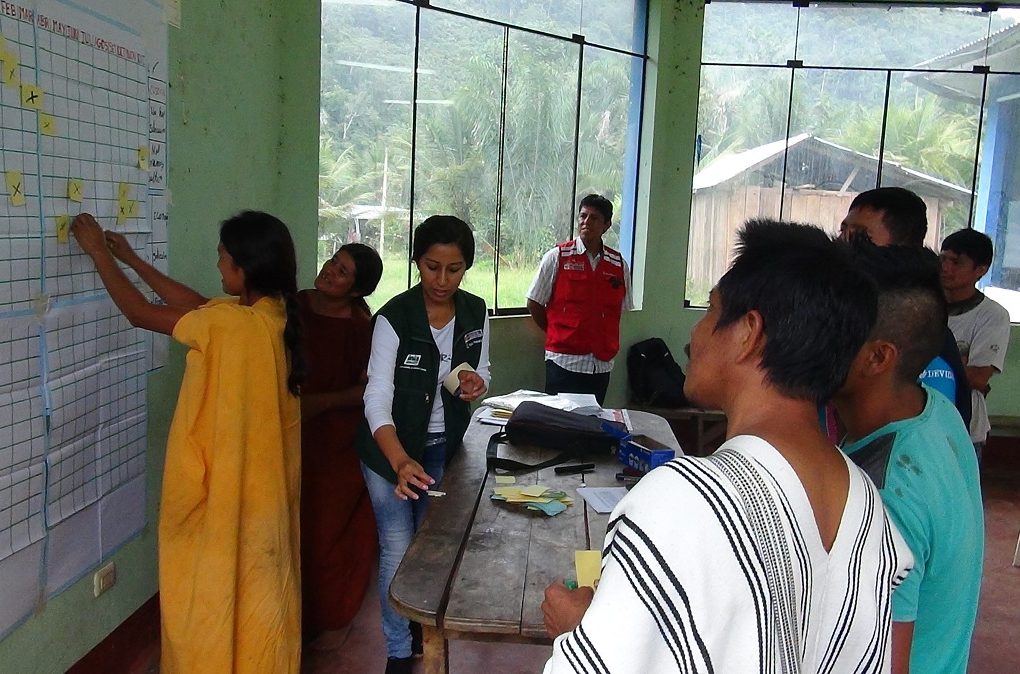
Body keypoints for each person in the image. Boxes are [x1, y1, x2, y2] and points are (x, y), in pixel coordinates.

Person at [541, 219, 912, 673]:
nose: (695, 334)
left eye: (711, 310)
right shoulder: (866, 502)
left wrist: (577, 633)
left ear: (748, 333)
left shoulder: (684, 499)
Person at [70, 211, 304, 673]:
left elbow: (140, 314)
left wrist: (98, 253)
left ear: (243, 269)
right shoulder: (270, 314)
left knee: (211, 602)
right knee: (258, 601)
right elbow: (198, 306)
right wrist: (134, 260)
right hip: (263, 503)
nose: (217, 265)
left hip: (225, 500)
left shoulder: (235, 326)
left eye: (222, 258)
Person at [834, 240, 983, 674]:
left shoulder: (884, 497)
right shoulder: (934, 412)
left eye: (829, 327)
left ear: (878, 356)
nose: (810, 339)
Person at [356, 215, 491, 674]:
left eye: (454, 269)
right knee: (398, 546)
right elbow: (376, 398)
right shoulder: (394, 318)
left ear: (466, 267)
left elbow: (482, 369)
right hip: (388, 452)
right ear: (417, 262)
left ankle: (414, 627)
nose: (442, 280)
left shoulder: (475, 311)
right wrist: (398, 461)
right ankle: (398, 652)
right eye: (432, 267)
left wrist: (476, 383)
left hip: (441, 447)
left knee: (428, 548)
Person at [299, 243, 383, 640]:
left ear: (356, 290)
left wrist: (319, 403)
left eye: (343, 271)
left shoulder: (360, 329)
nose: (330, 270)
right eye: (333, 261)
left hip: (337, 443)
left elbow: (368, 390)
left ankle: (325, 621)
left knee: (326, 533)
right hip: (291, 433)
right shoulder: (295, 305)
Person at [839, 186, 971, 427]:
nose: (844, 242)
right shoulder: (845, 315)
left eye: (861, 235)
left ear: (904, 247)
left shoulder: (927, 338)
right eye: (843, 230)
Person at [526, 194, 633, 405]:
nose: (586, 222)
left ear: (606, 225)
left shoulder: (618, 264)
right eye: (583, 216)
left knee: (592, 420)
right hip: (563, 361)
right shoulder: (557, 257)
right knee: (559, 419)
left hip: (601, 365)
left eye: (594, 218)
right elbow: (534, 302)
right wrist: (557, 331)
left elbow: (622, 308)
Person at [941, 228, 1011, 454]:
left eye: (956, 262)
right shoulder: (925, 306)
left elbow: (979, 377)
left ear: (981, 270)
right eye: (943, 259)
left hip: (965, 430)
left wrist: (925, 363)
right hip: (922, 423)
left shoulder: (992, 315)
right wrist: (958, 364)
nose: (946, 268)